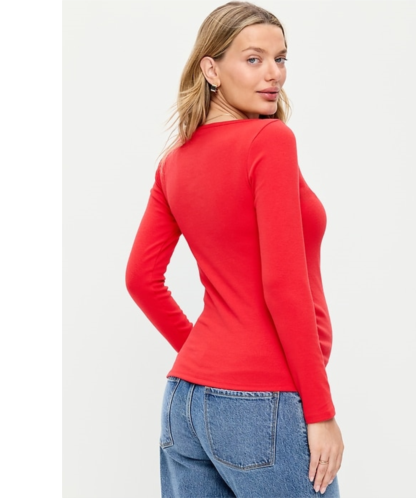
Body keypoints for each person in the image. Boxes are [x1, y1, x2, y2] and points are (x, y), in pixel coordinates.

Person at [125, 2, 344, 496]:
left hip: (185, 401)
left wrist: (207, 358)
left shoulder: (173, 163)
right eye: (253, 59)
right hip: (262, 403)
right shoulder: (269, 140)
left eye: (280, 59)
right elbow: (282, 284)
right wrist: (320, 412)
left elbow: (140, 279)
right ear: (211, 69)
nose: (274, 74)